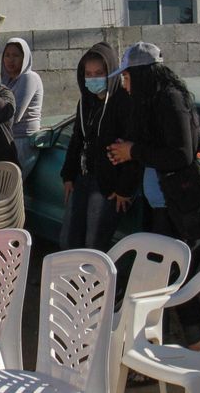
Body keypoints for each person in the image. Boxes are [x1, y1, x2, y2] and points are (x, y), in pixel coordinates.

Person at [105, 41, 200, 350]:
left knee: (169, 278)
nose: (124, 83)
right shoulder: (150, 102)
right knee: (161, 278)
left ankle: (191, 346)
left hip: (173, 207)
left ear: (144, 74)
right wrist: (128, 154)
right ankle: (161, 347)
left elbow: (181, 154)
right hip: (157, 204)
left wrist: (133, 150)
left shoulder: (171, 100)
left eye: (127, 77)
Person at [58, 42, 140, 251]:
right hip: (82, 178)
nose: (93, 78)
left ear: (111, 73)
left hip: (108, 186)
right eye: (89, 73)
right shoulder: (85, 102)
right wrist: (68, 175)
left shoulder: (124, 102)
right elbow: (77, 139)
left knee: (94, 244)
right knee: (69, 240)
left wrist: (124, 189)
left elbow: (133, 149)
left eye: (99, 73)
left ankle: (97, 284)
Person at [1, 38, 43, 179]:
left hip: (23, 140)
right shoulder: (8, 81)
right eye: (7, 55)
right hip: (10, 139)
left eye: (16, 55)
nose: (10, 60)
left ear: (25, 57)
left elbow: (14, 114)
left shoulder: (29, 77)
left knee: (13, 185)